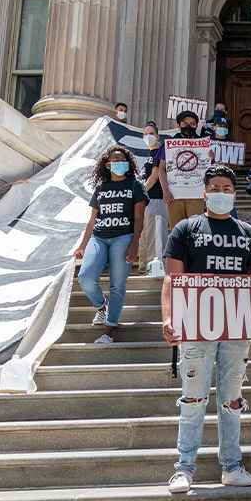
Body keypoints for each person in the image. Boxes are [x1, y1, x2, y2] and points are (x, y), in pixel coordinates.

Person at [162, 165, 251, 494]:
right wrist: (168, 316)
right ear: (204, 192)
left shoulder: (249, 233)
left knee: (232, 400)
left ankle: (232, 465)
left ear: (234, 194)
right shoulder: (185, 229)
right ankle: (184, 467)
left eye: (227, 187)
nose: (221, 192)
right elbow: (172, 279)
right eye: (215, 187)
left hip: (236, 326)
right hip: (195, 325)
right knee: (193, 398)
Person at [74, 146, 146, 345]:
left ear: (128, 163)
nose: (118, 162)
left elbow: (139, 218)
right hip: (99, 237)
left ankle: (110, 330)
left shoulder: (135, 186)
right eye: (114, 160)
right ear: (107, 165)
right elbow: (91, 221)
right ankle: (101, 307)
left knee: (117, 285)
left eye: (121, 159)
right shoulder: (100, 188)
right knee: (85, 277)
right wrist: (82, 245)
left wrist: (134, 245)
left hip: (123, 237)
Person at [159, 110, 207, 228]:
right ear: (178, 125)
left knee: (196, 230)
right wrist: (165, 191)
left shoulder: (204, 144)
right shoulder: (169, 144)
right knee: (177, 230)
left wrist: (211, 157)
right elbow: (161, 169)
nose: (188, 126)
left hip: (196, 195)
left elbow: (208, 169)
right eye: (185, 123)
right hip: (174, 195)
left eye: (192, 123)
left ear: (196, 125)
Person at [138, 122, 170, 275]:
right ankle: (145, 266)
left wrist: (140, 191)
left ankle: (154, 267)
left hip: (157, 199)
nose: (148, 136)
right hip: (149, 201)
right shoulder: (149, 156)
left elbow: (155, 175)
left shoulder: (160, 152)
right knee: (147, 235)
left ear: (157, 136)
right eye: (145, 134)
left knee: (156, 235)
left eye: (151, 133)